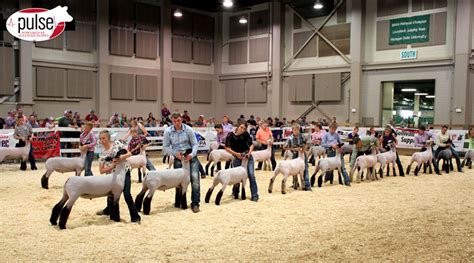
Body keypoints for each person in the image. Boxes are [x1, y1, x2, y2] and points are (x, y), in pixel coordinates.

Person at [95, 130, 140, 223]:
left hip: (124, 172)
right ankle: (108, 211)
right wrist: (112, 166)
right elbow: (101, 171)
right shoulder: (102, 154)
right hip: (112, 176)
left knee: (127, 194)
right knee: (111, 194)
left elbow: (129, 153)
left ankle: (135, 217)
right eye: (100, 139)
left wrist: (121, 158)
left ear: (108, 138)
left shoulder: (117, 144)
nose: (102, 140)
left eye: (104, 138)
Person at [163, 112, 201, 213]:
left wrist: (191, 155)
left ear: (182, 119)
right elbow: (165, 147)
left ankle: (195, 203)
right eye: (174, 121)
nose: (177, 123)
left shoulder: (188, 129)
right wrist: (175, 154)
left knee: (195, 179)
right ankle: (179, 201)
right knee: (177, 181)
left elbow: (195, 144)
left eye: (178, 120)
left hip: (190, 156)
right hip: (178, 158)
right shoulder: (168, 131)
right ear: (172, 121)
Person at [225, 122, 259, 201]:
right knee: (236, 176)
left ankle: (254, 195)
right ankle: (235, 192)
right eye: (241, 127)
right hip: (237, 157)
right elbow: (227, 148)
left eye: (244, 128)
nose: (242, 129)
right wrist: (236, 154)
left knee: (251, 174)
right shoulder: (230, 135)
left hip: (247, 156)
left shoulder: (246, 134)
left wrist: (249, 153)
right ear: (238, 126)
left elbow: (251, 145)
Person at [284, 124, 312, 190]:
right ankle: (295, 184)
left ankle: (307, 185)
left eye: (297, 130)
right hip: (295, 155)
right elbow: (284, 147)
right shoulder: (290, 138)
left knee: (305, 169)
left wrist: (304, 149)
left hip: (302, 155)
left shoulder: (302, 136)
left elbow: (305, 144)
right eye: (295, 130)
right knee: (294, 169)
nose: (296, 131)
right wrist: (295, 149)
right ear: (292, 130)